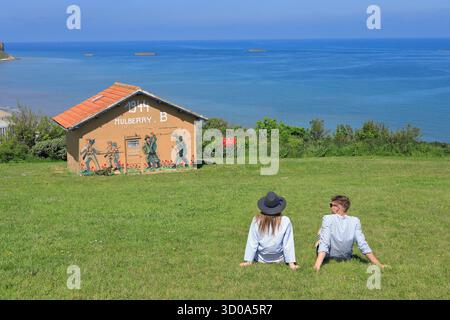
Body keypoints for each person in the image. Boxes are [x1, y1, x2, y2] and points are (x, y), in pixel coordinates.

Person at [313, 195, 384, 271]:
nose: (330, 207)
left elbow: (325, 242)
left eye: (331, 205)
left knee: (320, 233)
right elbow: (362, 244)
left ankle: (318, 246)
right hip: (346, 257)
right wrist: (379, 264)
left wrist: (317, 265)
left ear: (338, 207)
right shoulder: (355, 220)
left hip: (329, 256)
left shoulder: (327, 218)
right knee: (321, 232)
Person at [240, 192, 299, 270]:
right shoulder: (286, 220)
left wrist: (248, 261)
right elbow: (288, 243)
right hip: (279, 258)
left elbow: (252, 242)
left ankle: (249, 261)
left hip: (260, 258)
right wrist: (292, 264)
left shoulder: (256, 220)